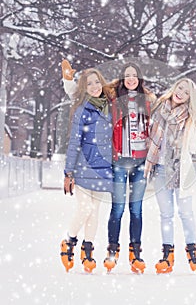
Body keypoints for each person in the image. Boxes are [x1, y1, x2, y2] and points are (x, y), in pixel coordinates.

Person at [144, 78, 196, 274]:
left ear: (190, 98)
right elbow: (148, 137)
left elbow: (194, 147)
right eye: (180, 88)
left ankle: (192, 251)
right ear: (174, 88)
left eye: (186, 92)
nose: (181, 92)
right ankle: (167, 255)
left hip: (182, 173)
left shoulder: (190, 118)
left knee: (186, 214)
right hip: (160, 170)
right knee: (166, 215)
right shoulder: (158, 109)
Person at [103, 62, 156, 274]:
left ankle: (135, 253)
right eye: (127, 76)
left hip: (140, 162)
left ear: (140, 78)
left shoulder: (149, 101)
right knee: (117, 208)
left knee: (136, 210)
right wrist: (70, 82)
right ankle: (112, 251)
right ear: (122, 79)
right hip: (119, 161)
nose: (131, 79)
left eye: (134, 75)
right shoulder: (115, 100)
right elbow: (91, 91)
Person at [60, 67, 114, 273]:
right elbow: (74, 142)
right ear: (83, 88)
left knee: (95, 212)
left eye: (96, 82)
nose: (94, 87)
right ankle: (69, 241)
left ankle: (88, 250)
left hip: (103, 169)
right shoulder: (82, 109)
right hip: (83, 168)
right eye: (89, 83)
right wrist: (69, 172)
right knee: (85, 208)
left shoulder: (109, 108)